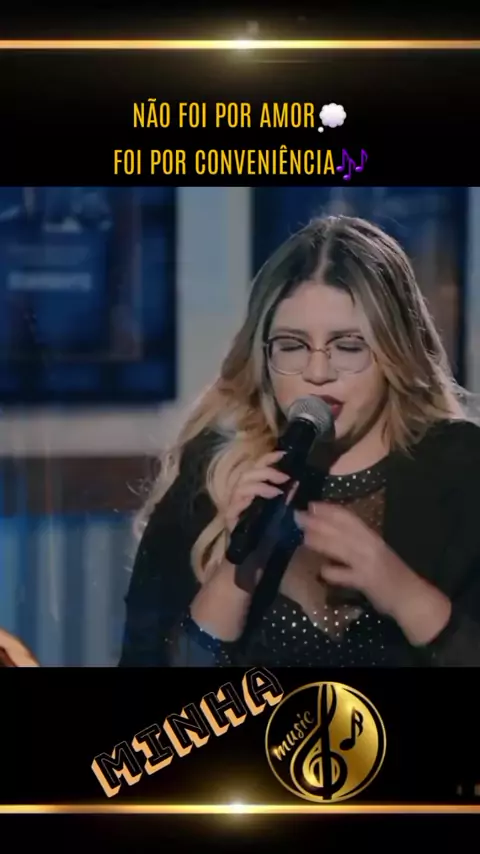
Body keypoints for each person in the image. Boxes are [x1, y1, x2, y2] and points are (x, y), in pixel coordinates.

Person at [119, 215, 480, 668]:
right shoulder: (215, 471)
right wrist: (236, 571)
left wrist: (402, 592)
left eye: (348, 347)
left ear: (395, 352)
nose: (318, 372)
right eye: (292, 346)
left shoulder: (463, 468)